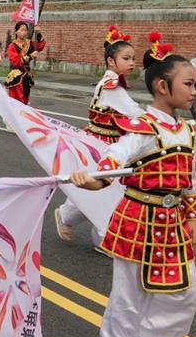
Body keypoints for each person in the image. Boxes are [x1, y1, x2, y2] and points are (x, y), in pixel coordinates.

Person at [70, 46, 196, 337]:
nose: (194, 91)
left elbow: (191, 178)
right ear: (163, 87)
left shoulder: (188, 132)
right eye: (188, 84)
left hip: (172, 221)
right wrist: (95, 178)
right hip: (138, 217)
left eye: (194, 84)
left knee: (184, 290)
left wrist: (193, 216)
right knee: (129, 294)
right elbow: (116, 158)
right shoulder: (143, 129)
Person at [55, 26, 143, 243]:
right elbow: (135, 112)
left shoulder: (111, 82)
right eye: (126, 58)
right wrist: (161, 119)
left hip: (104, 141)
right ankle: (102, 236)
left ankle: (81, 224)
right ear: (111, 61)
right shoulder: (113, 87)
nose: (132, 62)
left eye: (133, 58)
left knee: (102, 189)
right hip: (104, 144)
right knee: (107, 190)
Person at [5, 22, 43, 105]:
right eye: (22, 30)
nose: (24, 32)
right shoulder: (12, 46)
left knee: (25, 100)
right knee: (17, 101)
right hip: (17, 76)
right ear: (16, 32)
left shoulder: (29, 43)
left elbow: (39, 46)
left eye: (25, 30)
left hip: (27, 75)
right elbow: (16, 61)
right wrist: (30, 56)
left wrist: (38, 33)